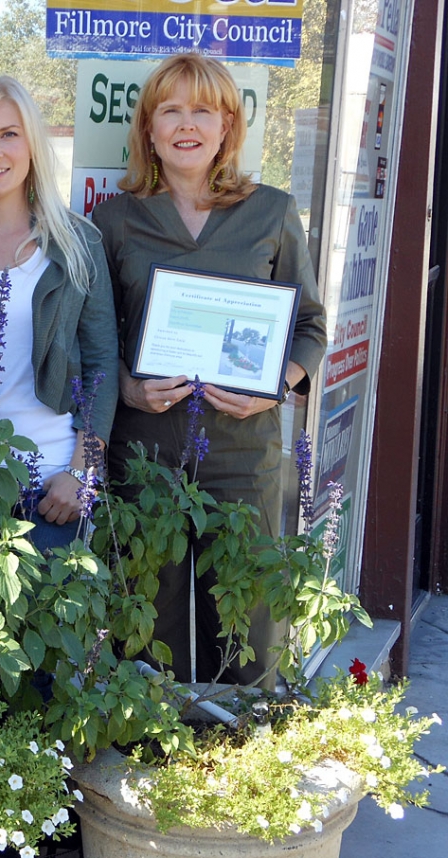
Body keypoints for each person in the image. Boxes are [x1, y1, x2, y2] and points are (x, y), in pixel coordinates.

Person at [92, 53, 327, 685]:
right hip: (144, 452)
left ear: (228, 126)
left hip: (242, 452)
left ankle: (236, 762)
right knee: (145, 623)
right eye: (171, 109)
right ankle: (146, 762)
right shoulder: (114, 220)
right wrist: (127, 386)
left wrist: (275, 388)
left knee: (244, 626)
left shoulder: (273, 212)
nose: (187, 124)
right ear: (148, 128)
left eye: (204, 110)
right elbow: (94, 339)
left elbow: (309, 327)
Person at [0, 75, 118, 550]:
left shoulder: (78, 245)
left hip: (51, 490)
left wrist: (81, 471)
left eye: (8, 134)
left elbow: (102, 369)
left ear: (33, 144)